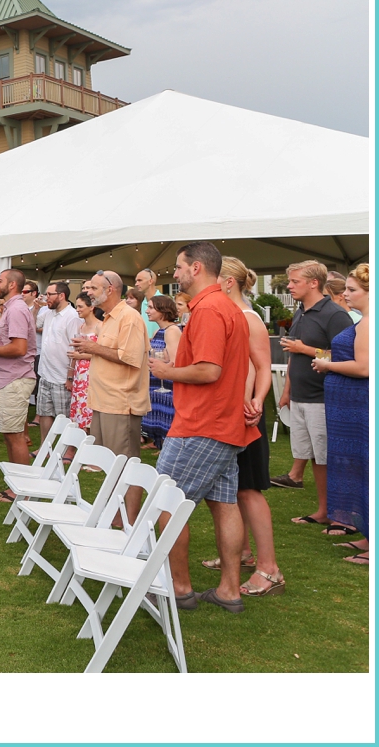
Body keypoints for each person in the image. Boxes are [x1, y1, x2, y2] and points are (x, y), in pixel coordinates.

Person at [150, 242, 259, 614]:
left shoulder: (211, 309)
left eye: (178, 267)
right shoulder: (225, 307)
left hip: (202, 425)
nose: (174, 274)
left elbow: (209, 370)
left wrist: (166, 371)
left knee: (167, 502)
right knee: (224, 503)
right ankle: (229, 590)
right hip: (221, 423)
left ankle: (179, 588)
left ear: (196, 268)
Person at [198, 257, 284, 595]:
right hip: (228, 412)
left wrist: (256, 401)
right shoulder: (228, 314)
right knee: (231, 489)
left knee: (249, 489)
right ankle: (243, 553)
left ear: (229, 282)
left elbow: (261, 368)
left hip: (244, 413)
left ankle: (269, 568)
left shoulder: (249, 318)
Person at [271, 261, 354, 528]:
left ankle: (341, 515)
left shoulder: (334, 315)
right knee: (316, 457)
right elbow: (294, 354)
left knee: (329, 457)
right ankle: (324, 511)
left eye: (295, 281)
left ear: (313, 283)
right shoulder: (300, 312)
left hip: (324, 397)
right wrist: (286, 390)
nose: (290, 286)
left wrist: (306, 349)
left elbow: (346, 357)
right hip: (300, 397)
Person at [68, 270, 149, 518]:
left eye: (93, 288)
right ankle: (116, 515)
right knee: (111, 465)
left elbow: (131, 358)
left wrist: (94, 347)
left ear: (110, 289)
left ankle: (129, 521)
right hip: (102, 401)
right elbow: (107, 354)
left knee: (127, 464)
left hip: (120, 402)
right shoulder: (110, 318)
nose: (88, 291)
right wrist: (88, 351)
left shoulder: (129, 317)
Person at [312, 264, 369, 566]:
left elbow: (364, 367)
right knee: (357, 468)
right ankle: (366, 534)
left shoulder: (369, 323)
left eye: (352, 290)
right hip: (348, 406)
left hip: (359, 407)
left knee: (365, 468)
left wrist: (327, 365)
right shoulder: (363, 322)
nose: (345, 295)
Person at [0, 270, 36, 504]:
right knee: (9, 433)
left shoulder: (16, 309)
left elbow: (19, 348)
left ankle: (23, 489)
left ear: (12, 284)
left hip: (16, 378)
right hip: (7, 378)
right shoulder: (11, 308)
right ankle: (15, 484)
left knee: (16, 436)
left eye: (0, 280)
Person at [35, 282, 81, 445]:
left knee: (64, 417)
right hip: (45, 373)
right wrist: (35, 307)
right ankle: (44, 448)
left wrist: (70, 376)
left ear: (61, 296)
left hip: (61, 376)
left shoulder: (72, 316)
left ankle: (65, 450)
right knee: (44, 413)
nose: (46, 298)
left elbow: (76, 348)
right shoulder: (48, 312)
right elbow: (34, 324)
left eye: (49, 294)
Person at [142, 295, 182, 449]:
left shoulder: (171, 331)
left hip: (167, 384)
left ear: (163, 310)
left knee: (168, 418)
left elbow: (175, 361)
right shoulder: (161, 329)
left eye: (151, 307)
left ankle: (168, 448)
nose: (147, 311)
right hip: (157, 381)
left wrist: (161, 359)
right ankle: (161, 446)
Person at [67, 292, 101, 432]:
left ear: (91, 307)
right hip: (79, 375)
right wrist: (70, 375)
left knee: (89, 411)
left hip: (92, 374)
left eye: (81, 306)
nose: (78, 309)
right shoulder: (80, 327)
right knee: (79, 410)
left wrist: (81, 356)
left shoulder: (100, 326)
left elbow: (102, 354)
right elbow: (76, 354)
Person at [135, 268, 163, 337]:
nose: (136, 284)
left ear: (150, 281)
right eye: (136, 281)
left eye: (140, 280)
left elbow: (173, 325)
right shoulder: (144, 302)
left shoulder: (163, 301)